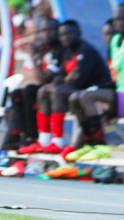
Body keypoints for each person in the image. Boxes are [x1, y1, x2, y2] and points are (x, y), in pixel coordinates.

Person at [67, 4, 124, 162]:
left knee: (87, 97)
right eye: (117, 19)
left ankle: (101, 145)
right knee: (76, 98)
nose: (120, 23)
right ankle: (88, 143)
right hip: (121, 97)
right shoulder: (115, 41)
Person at [24, 20, 114, 156]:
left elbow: (77, 80)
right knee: (43, 90)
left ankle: (59, 140)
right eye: (63, 35)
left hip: (97, 92)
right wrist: (59, 82)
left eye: (69, 33)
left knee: (56, 91)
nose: (66, 37)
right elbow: (61, 77)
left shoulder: (86, 50)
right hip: (79, 94)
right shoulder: (68, 53)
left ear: (79, 34)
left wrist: (61, 83)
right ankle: (44, 140)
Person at [8, 17, 64, 151]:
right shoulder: (45, 49)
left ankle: (36, 137)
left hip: (59, 91)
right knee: (17, 94)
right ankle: (27, 137)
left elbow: (43, 78)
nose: (46, 34)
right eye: (43, 30)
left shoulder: (60, 50)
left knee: (30, 91)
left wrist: (34, 56)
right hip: (47, 90)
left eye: (51, 30)